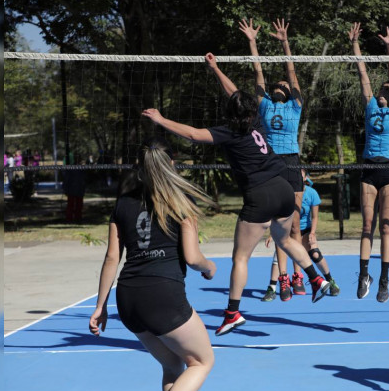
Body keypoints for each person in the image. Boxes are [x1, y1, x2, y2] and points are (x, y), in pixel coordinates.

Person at [142, 52, 330, 336]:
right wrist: (215, 69)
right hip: (283, 187)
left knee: (240, 258)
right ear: (251, 111)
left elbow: (193, 134)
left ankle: (232, 313)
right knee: (284, 238)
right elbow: (237, 97)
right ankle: (316, 280)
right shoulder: (257, 123)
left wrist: (162, 119)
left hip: (261, 193)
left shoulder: (228, 131)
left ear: (231, 113)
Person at [88, 138, 217, 391]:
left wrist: (100, 307)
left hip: (128, 299)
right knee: (203, 361)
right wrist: (210, 267)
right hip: (162, 296)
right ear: (171, 165)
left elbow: (112, 258)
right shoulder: (181, 200)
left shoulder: (123, 203)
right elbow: (193, 258)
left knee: (173, 366)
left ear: (140, 168)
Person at [238, 18, 309, 302]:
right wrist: (252, 42)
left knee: (294, 225)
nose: (280, 86)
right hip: (271, 164)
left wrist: (284, 42)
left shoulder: (295, 106)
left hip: (292, 163)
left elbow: (291, 73)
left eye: (285, 85)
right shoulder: (265, 104)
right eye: (276, 84)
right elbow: (258, 72)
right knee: (277, 226)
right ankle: (282, 278)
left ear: (290, 92)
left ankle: (297, 274)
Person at [349, 22, 389, 303]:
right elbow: (362, 73)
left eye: (388, 88)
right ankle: (364, 274)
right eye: (383, 88)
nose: (384, 89)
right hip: (369, 169)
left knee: (386, 224)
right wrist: (354, 44)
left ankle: (384, 280)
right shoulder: (372, 106)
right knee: (367, 225)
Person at [262, 169, 340, 301]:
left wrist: (313, 233)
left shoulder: (311, 193)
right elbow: (276, 216)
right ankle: (272, 288)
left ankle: (330, 280)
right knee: (279, 253)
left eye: (300, 173)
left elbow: (314, 217)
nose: (297, 175)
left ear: (305, 177)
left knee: (315, 253)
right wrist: (272, 234)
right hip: (285, 230)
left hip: (305, 231)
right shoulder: (284, 193)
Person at [62, 158, 87, 222]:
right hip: (74, 190)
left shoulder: (81, 169)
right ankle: (72, 218)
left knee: (77, 205)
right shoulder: (72, 168)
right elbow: (66, 179)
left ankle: (76, 218)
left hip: (77, 190)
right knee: (72, 205)